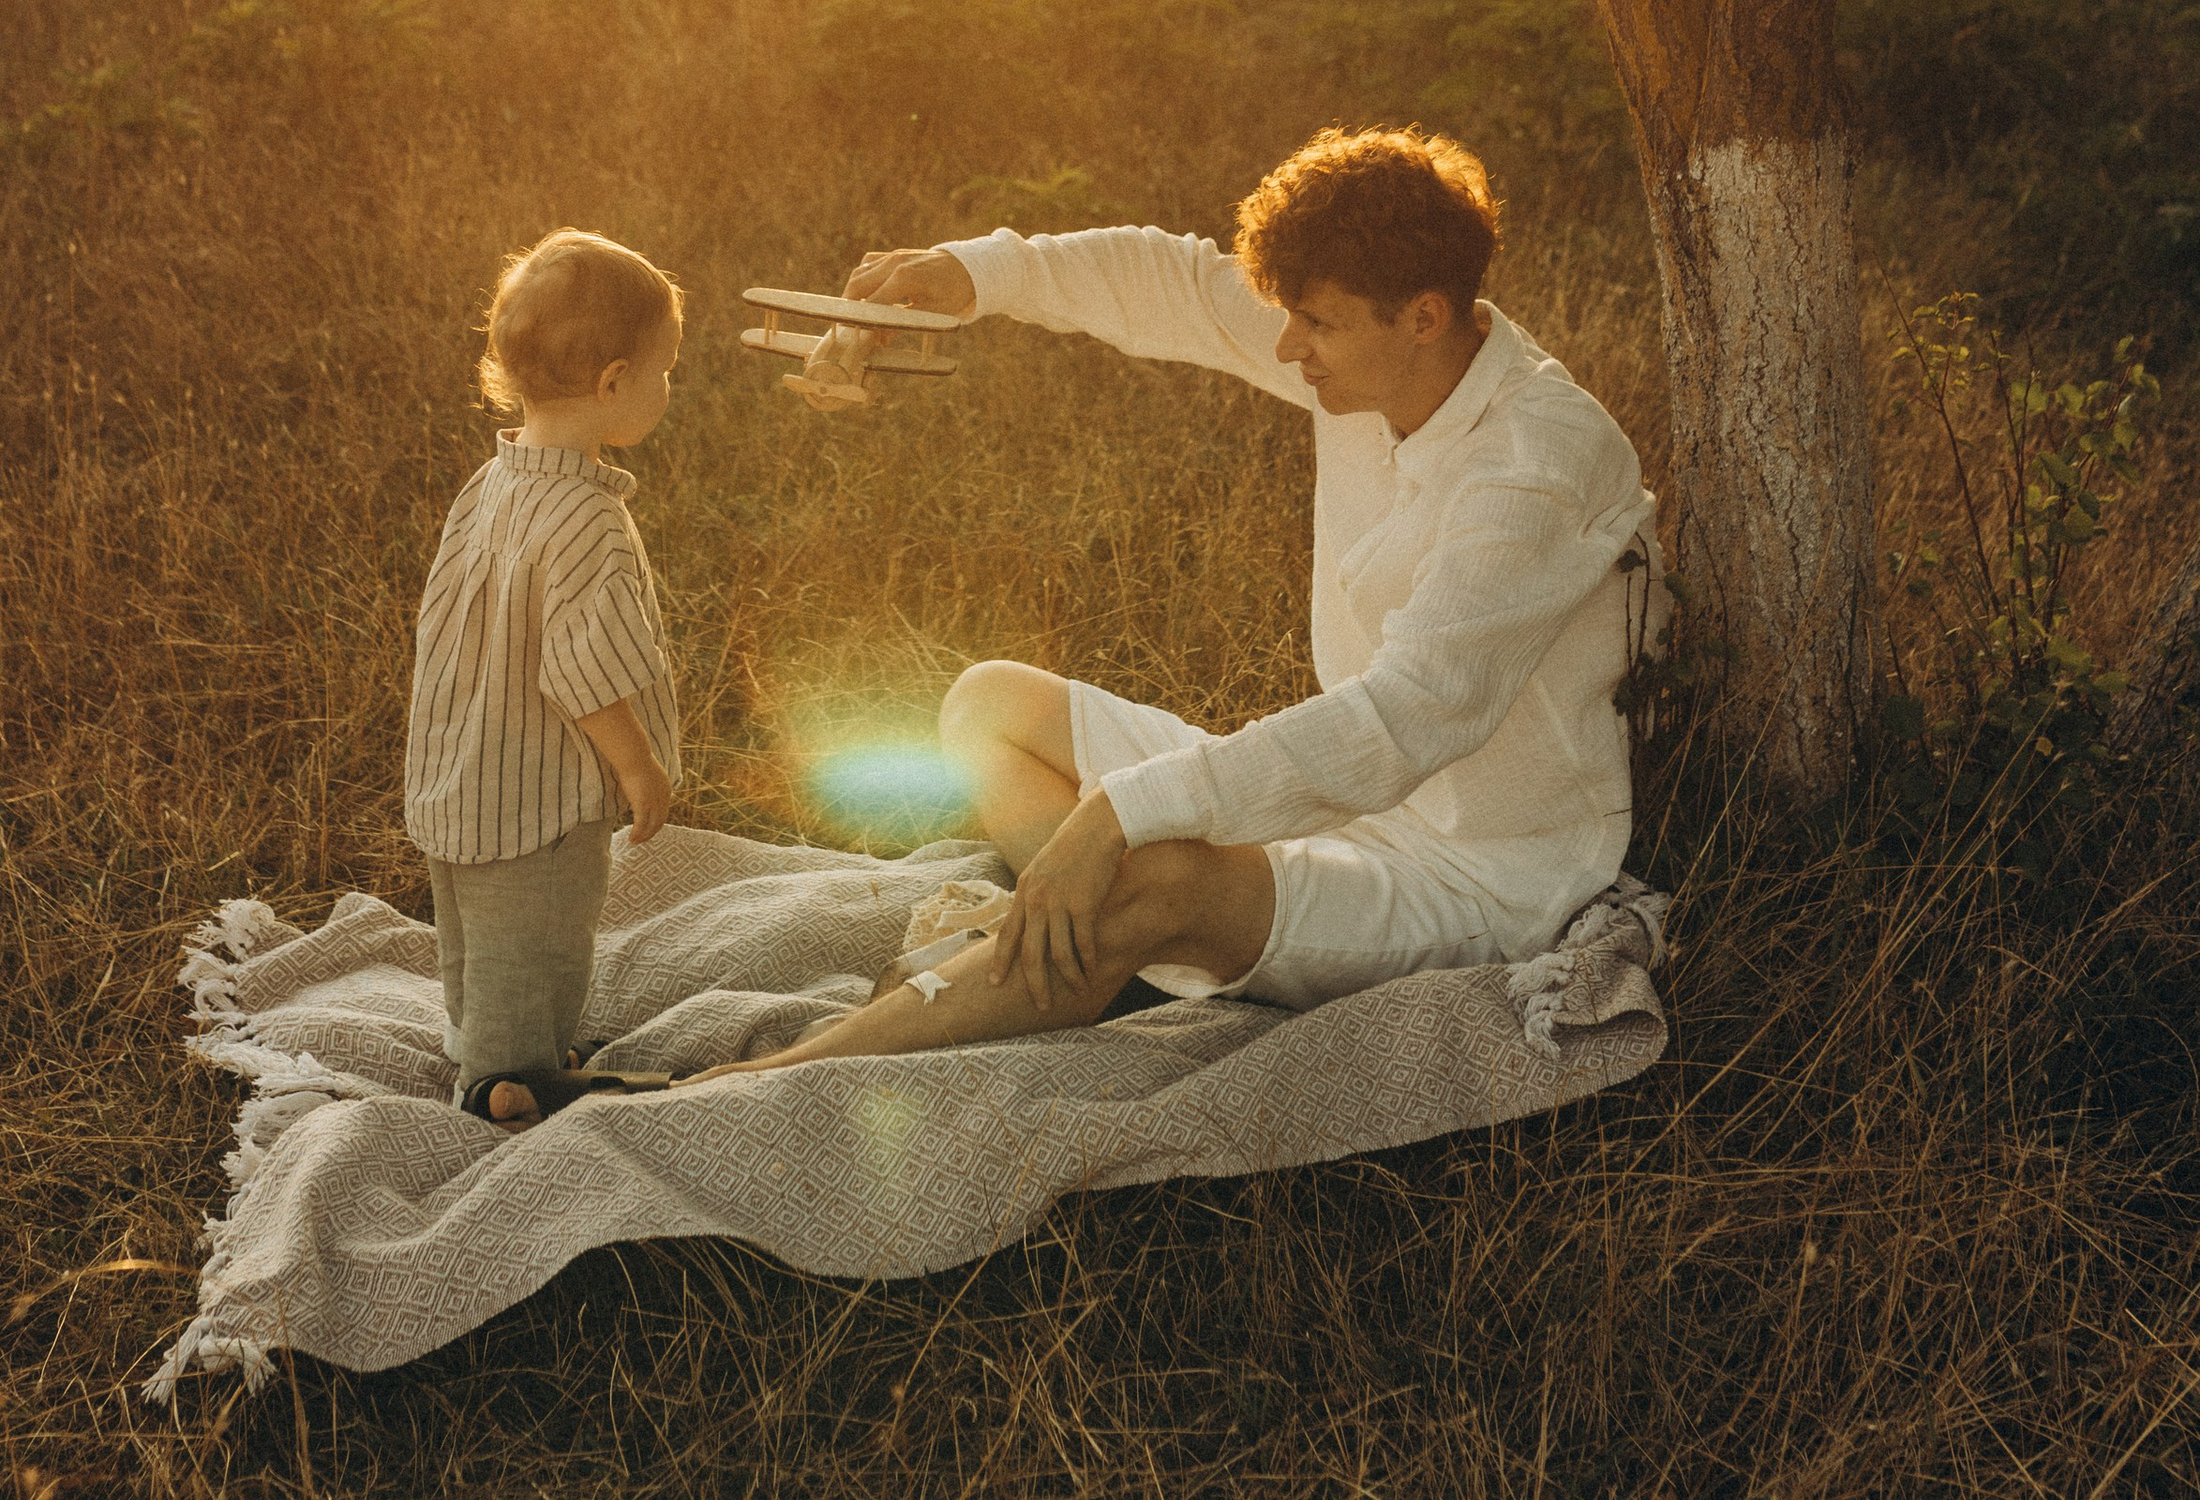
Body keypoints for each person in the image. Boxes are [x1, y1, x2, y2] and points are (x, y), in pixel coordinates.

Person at [698, 125, 1654, 1084]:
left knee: (1151, 873)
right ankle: (1095, 945)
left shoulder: (1533, 467)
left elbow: (1407, 717)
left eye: (1315, 324)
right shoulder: (1383, 350)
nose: (1289, 347)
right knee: (989, 704)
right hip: (1327, 807)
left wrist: (1117, 814)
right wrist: (963, 275)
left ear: (1423, 316)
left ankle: (770, 1077)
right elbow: (1176, 283)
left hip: (1473, 877)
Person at [405, 228, 684, 1127]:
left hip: (463, 769)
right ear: (612, 384)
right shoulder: (589, 522)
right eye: (664, 369)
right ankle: (508, 1082)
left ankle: (486, 1035)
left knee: (476, 938)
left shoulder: (491, 484)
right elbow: (584, 675)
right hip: (536, 790)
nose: (668, 387)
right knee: (543, 940)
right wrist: (639, 770)